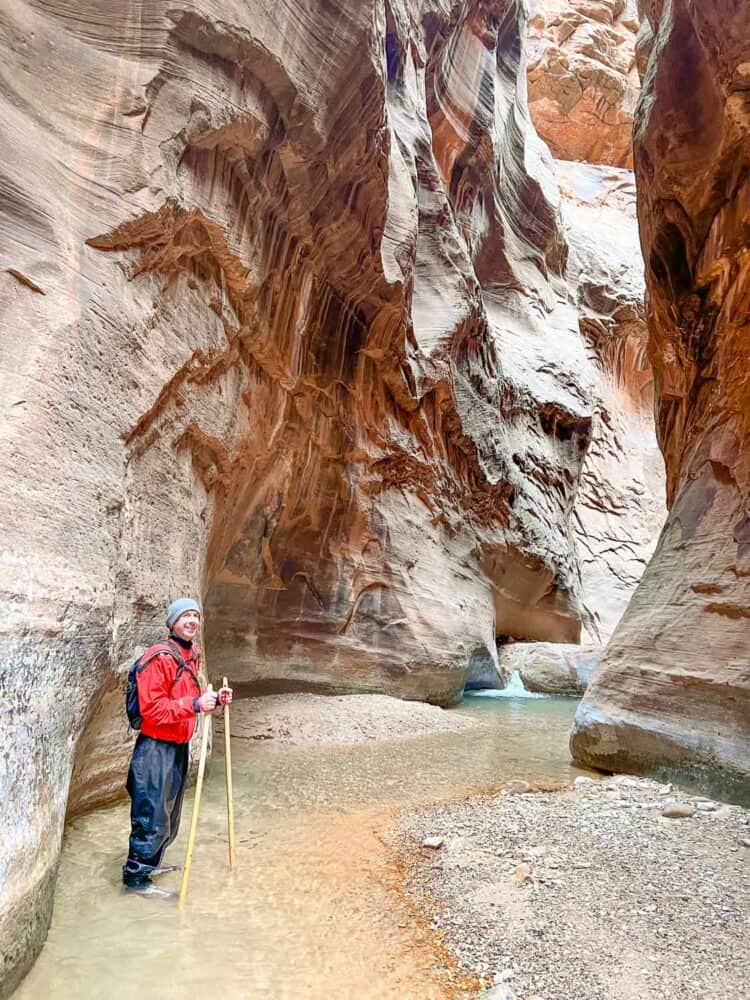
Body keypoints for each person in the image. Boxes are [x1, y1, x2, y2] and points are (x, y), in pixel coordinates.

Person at [122, 597, 232, 896]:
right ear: (172, 622)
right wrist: (195, 704)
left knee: (169, 816)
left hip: (177, 746)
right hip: (155, 748)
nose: (192, 620)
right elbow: (152, 710)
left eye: (196, 615)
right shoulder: (159, 657)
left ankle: (150, 865)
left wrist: (215, 700)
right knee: (152, 817)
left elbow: (189, 698)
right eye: (186, 615)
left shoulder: (190, 654)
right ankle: (136, 882)